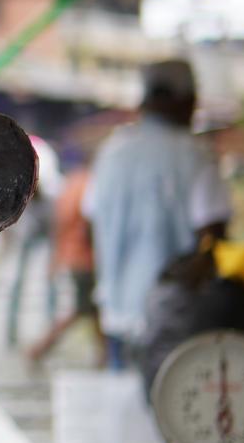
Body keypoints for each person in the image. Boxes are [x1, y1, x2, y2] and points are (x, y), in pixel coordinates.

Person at [80, 59, 232, 370]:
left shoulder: (112, 152)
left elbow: (90, 226)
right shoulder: (195, 155)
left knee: (122, 414)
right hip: (175, 324)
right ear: (182, 100)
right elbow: (215, 241)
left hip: (117, 318)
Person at [25, 162, 104, 365]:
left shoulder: (72, 185)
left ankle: (103, 356)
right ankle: (40, 349)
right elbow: (90, 224)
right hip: (86, 258)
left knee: (92, 309)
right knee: (84, 308)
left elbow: (59, 224)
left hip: (74, 256)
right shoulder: (89, 184)